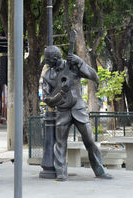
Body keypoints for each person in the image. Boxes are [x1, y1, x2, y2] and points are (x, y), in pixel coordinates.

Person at [42, 45, 112, 181]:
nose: (46, 62)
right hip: (62, 112)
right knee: (60, 143)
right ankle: (61, 172)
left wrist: (80, 61)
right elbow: (47, 99)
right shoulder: (47, 76)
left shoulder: (72, 66)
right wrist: (61, 93)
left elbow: (93, 75)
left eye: (48, 59)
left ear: (55, 58)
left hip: (78, 110)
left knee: (90, 141)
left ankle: (100, 170)